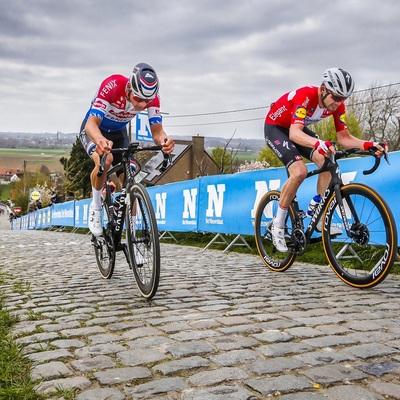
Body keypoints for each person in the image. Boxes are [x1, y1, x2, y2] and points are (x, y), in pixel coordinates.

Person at [264, 67, 387, 252]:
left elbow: (344, 138)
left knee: (328, 161)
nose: (339, 103)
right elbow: (294, 133)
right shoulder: (306, 96)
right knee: (299, 172)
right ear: (323, 89)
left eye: (343, 98)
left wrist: (369, 144)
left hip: (296, 129)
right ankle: (278, 224)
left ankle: (320, 215)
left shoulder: (338, 105)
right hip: (276, 128)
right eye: (336, 97)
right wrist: (318, 142)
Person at [79, 62, 175, 236]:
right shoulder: (113, 86)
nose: (141, 105)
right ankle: (96, 207)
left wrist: (165, 140)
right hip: (95, 131)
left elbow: (157, 132)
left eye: (146, 102)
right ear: (129, 87)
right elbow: (91, 124)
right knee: (105, 161)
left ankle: (133, 237)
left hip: (118, 133)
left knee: (130, 175)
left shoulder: (151, 97)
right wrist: (100, 140)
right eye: (138, 99)